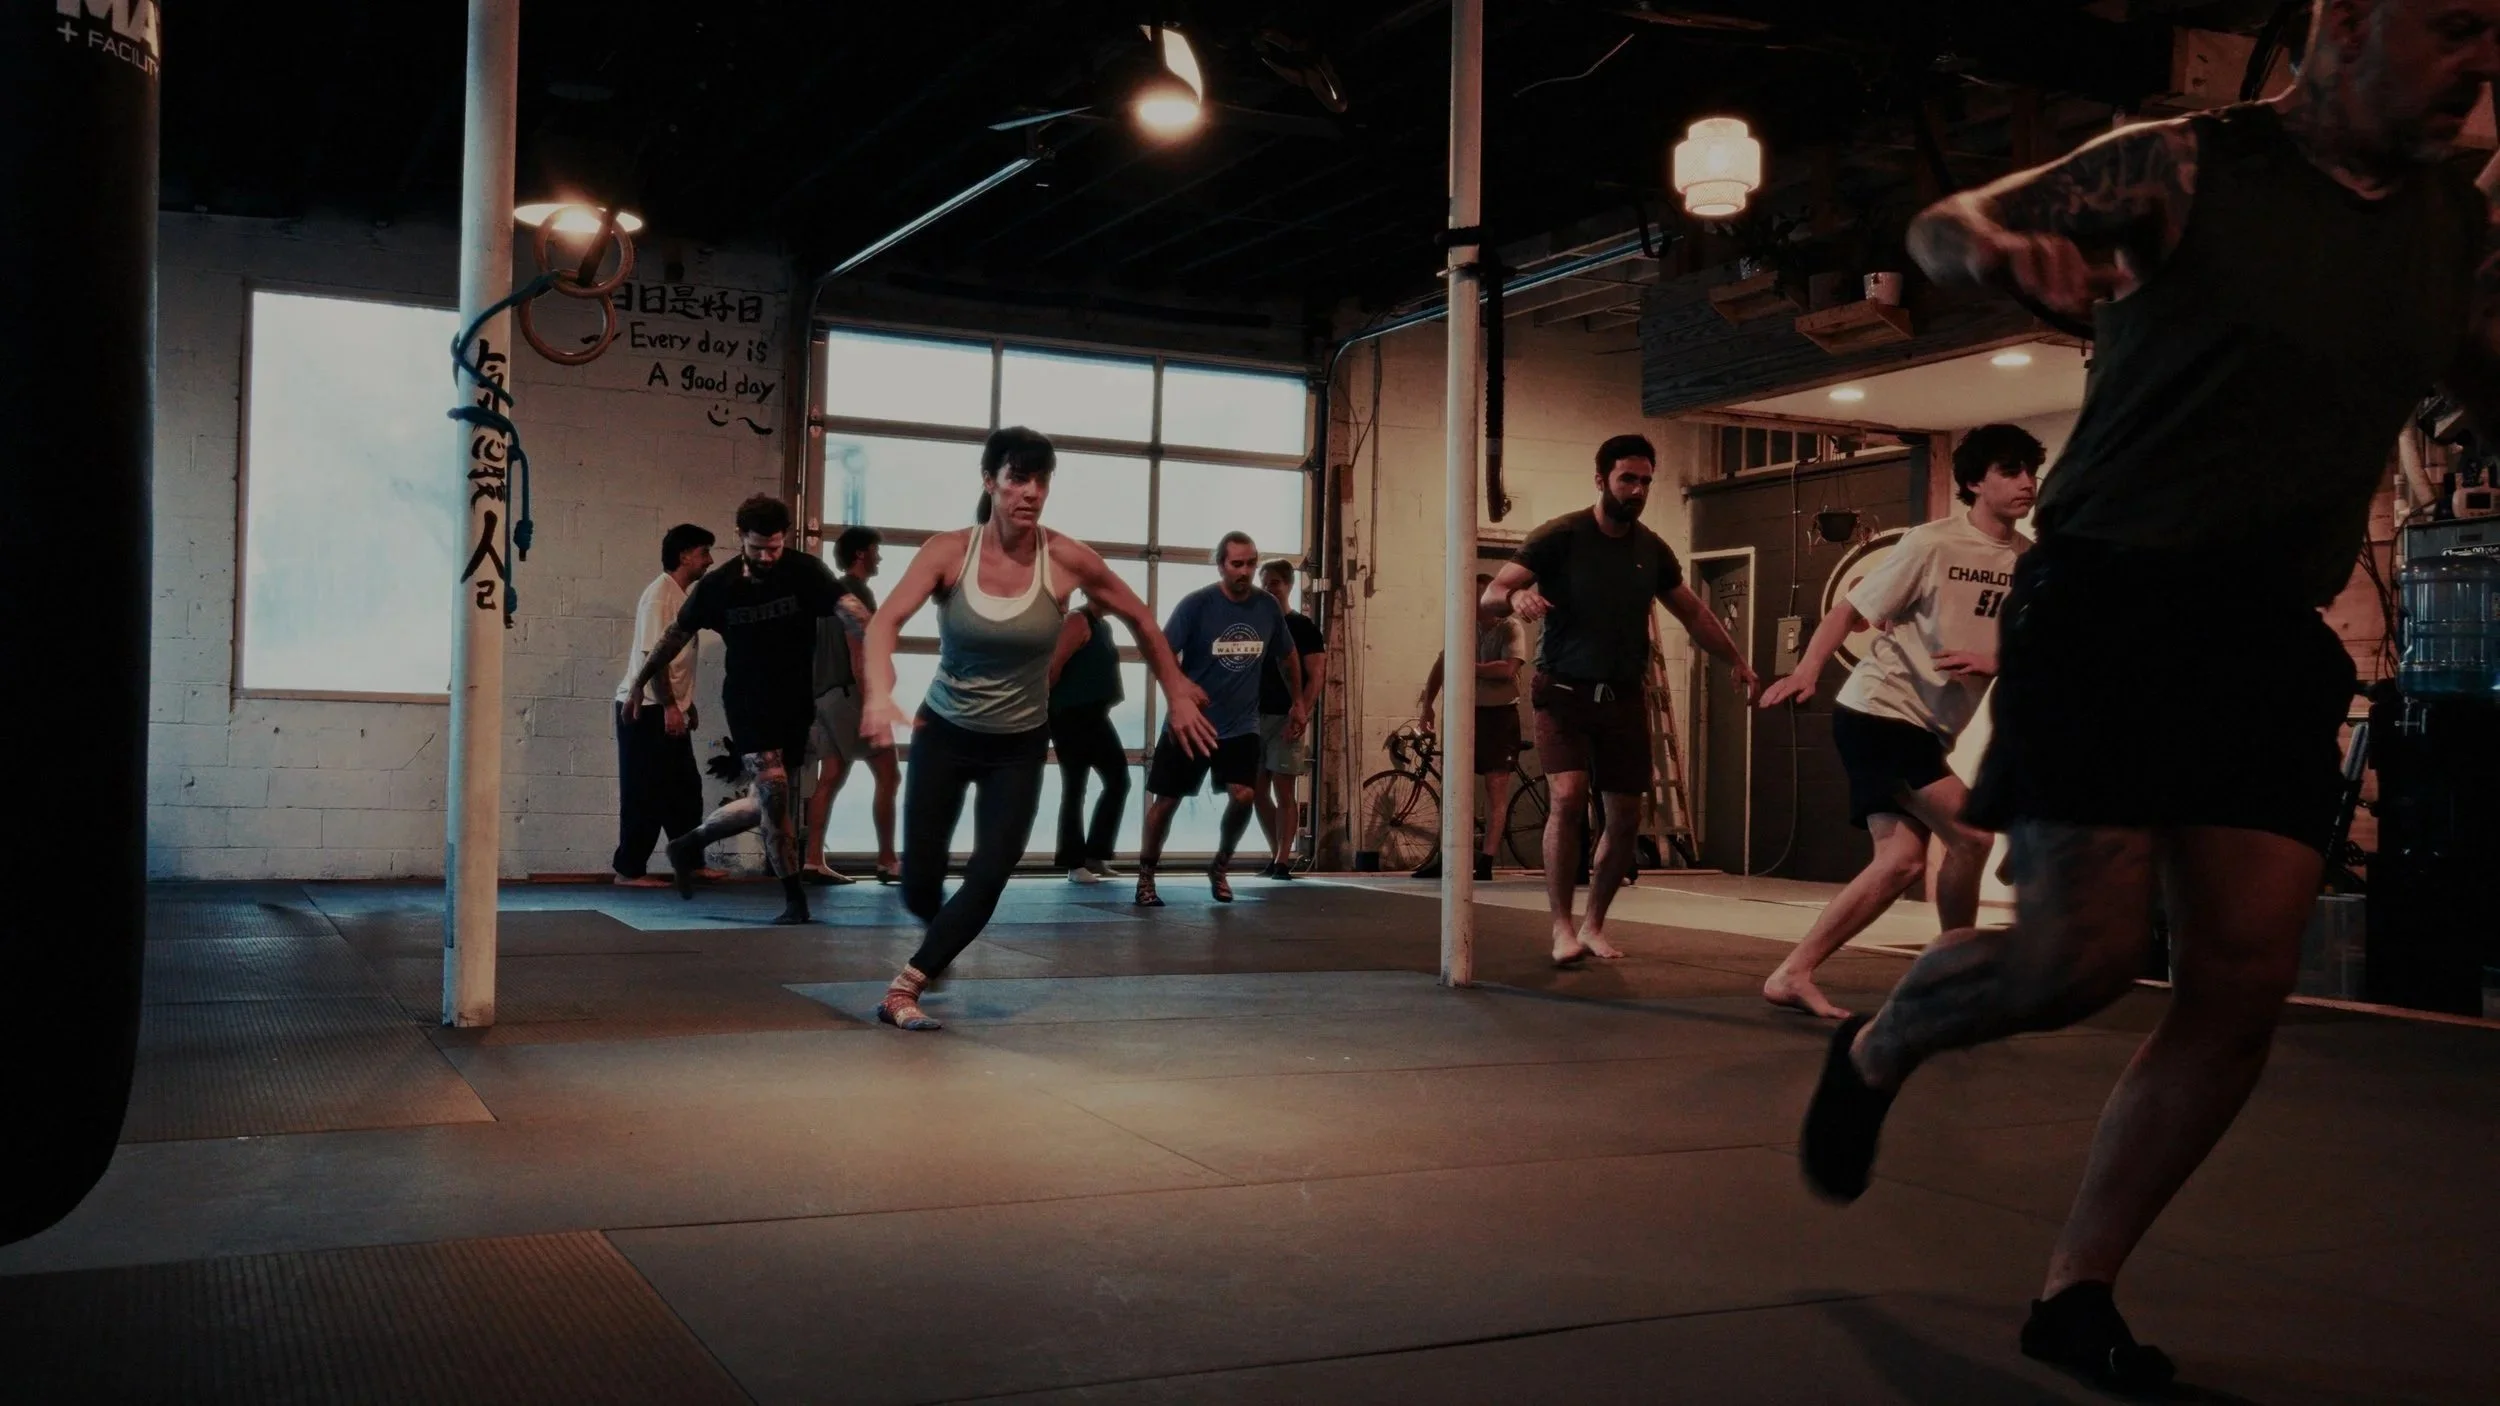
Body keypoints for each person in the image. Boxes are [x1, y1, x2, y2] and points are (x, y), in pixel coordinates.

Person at [1800, 6, 2500, 1391]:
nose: (2481, 61)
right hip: (2109, 602)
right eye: (2453, 27)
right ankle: (1879, 1046)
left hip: (2269, 629)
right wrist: (1994, 249)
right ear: (2347, 22)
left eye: (2495, 34)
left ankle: (2076, 1288)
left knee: (2240, 981)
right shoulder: (2188, 164)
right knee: (2080, 960)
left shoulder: (2452, 228)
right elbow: (1946, 225)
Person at [861, 428, 1214, 1030]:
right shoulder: (950, 552)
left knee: (993, 868)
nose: (1030, 492)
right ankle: (938, 931)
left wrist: (1177, 689)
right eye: (1018, 478)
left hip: (1018, 745)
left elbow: (1140, 618)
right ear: (990, 481)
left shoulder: (1067, 559)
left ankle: (908, 983)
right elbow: (885, 623)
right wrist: (877, 692)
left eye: (1041, 481)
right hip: (944, 734)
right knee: (918, 884)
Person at [1756, 426, 2041, 1019]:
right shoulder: (1932, 543)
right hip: (1880, 711)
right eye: (2010, 471)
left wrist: (1998, 661)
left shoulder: (2026, 560)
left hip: (1929, 726)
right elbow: (1850, 609)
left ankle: (1792, 972)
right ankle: (1954, 970)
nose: (2026, 482)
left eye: (2030, 471)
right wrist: (1808, 669)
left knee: (1901, 862)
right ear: (1973, 482)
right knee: (1973, 835)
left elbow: (2041, 651)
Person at [1481, 434, 1758, 965]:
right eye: (1627, 479)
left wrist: (1737, 661)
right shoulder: (1560, 536)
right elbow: (1493, 593)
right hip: (1563, 690)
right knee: (1567, 798)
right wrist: (1516, 596)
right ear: (1601, 479)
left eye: (1646, 481)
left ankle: (1593, 925)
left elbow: (1694, 613)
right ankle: (1561, 927)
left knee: (1626, 816)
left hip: (1624, 694)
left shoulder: (1651, 549)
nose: (1637, 490)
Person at [624, 494, 850, 926]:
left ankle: (689, 843)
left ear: (785, 538)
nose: (766, 557)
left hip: (794, 703)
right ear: (740, 536)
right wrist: (641, 683)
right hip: (748, 702)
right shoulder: (718, 586)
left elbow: (850, 611)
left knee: (763, 802)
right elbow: (672, 638)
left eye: (774, 548)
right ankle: (794, 899)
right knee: (774, 794)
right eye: (756, 548)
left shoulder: (805, 571)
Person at [1134, 532, 1300, 907]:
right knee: (1167, 801)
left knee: (1244, 795)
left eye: (1251, 563)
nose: (1245, 571)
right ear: (1221, 565)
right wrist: (1179, 692)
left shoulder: (1267, 608)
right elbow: (1159, 652)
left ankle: (1220, 865)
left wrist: (1300, 703)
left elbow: (1288, 655)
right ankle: (1146, 875)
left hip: (1241, 726)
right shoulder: (1197, 605)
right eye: (1237, 564)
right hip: (1193, 724)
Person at [612, 523, 716, 887]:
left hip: (667, 706)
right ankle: (629, 871)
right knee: (644, 792)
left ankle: (690, 863)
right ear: (685, 555)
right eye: (704, 553)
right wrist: (671, 705)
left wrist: (686, 704)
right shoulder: (660, 596)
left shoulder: (680, 595)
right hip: (646, 709)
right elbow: (653, 658)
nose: (710, 561)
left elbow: (677, 660)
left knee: (684, 791)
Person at [799, 526, 901, 886]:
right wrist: (875, 700)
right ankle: (887, 861)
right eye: (875, 550)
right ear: (861, 554)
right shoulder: (855, 592)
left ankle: (813, 861)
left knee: (830, 776)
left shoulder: (826, 595)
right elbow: (859, 650)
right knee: (889, 773)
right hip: (849, 695)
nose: (879, 557)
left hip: (824, 696)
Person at [1410, 573, 1525, 884]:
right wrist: (1428, 705)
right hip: (1466, 714)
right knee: (1454, 786)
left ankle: (1486, 860)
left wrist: (1467, 667)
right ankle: (1447, 855)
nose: (1473, 602)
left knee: (1495, 788)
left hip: (1499, 715)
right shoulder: (1462, 626)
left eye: (1478, 596)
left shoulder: (1510, 627)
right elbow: (1441, 664)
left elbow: (1508, 669)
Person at [1047, 593, 1131, 884]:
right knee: (1075, 786)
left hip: (1095, 715)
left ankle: (1095, 854)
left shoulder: (1102, 626)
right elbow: (1053, 667)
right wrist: (1041, 711)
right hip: (1070, 715)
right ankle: (1074, 863)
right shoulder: (1077, 621)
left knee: (1119, 780)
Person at [1251, 558, 1325, 879]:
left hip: (1286, 717)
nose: (1269, 588)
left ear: (1289, 585)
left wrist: (1301, 711)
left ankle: (1283, 858)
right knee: (1256, 790)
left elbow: (1316, 675)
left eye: (1275, 583)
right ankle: (1275, 852)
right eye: (1264, 583)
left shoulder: (1303, 627)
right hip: (1253, 717)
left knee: (1283, 789)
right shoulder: (1255, 626)